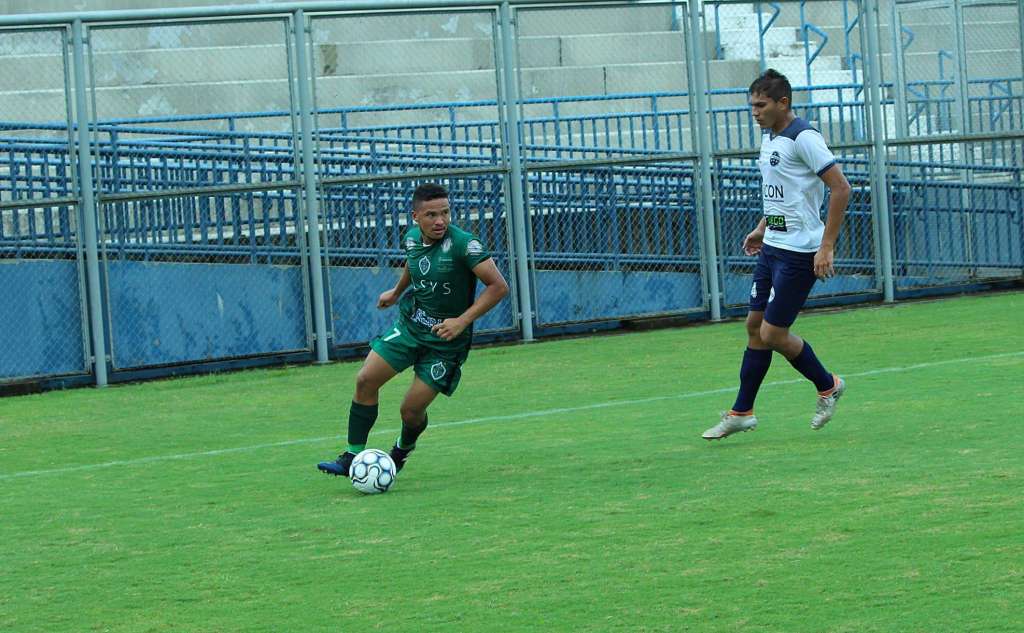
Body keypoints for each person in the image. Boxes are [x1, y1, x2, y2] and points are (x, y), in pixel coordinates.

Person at [318, 183, 509, 475]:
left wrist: (462, 321)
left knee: (410, 411)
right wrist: (396, 292)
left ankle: (401, 451)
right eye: (431, 214)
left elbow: (498, 287)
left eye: (445, 212)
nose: (440, 220)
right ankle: (350, 456)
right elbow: (414, 263)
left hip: (445, 343)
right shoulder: (411, 239)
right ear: (415, 217)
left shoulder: (465, 245)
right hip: (411, 326)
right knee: (365, 380)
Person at [703, 69, 851, 441]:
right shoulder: (770, 138)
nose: (754, 112)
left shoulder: (804, 138)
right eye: (751, 105)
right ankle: (742, 412)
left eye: (761, 105)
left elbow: (841, 189)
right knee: (754, 327)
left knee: (771, 332)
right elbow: (782, 192)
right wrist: (762, 227)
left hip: (801, 253)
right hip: (772, 248)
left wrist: (826, 245)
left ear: (783, 103)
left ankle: (828, 384)